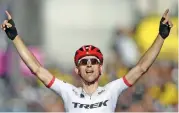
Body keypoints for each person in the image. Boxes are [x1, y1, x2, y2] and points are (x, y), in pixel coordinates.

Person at [1, 9, 173, 113]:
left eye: (93, 61)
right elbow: (37, 69)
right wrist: (15, 38)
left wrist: (161, 36)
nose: (89, 64)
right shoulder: (68, 91)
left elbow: (142, 67)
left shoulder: (111, 90)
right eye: (84, 62)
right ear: (77, 70)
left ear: (100, 69)